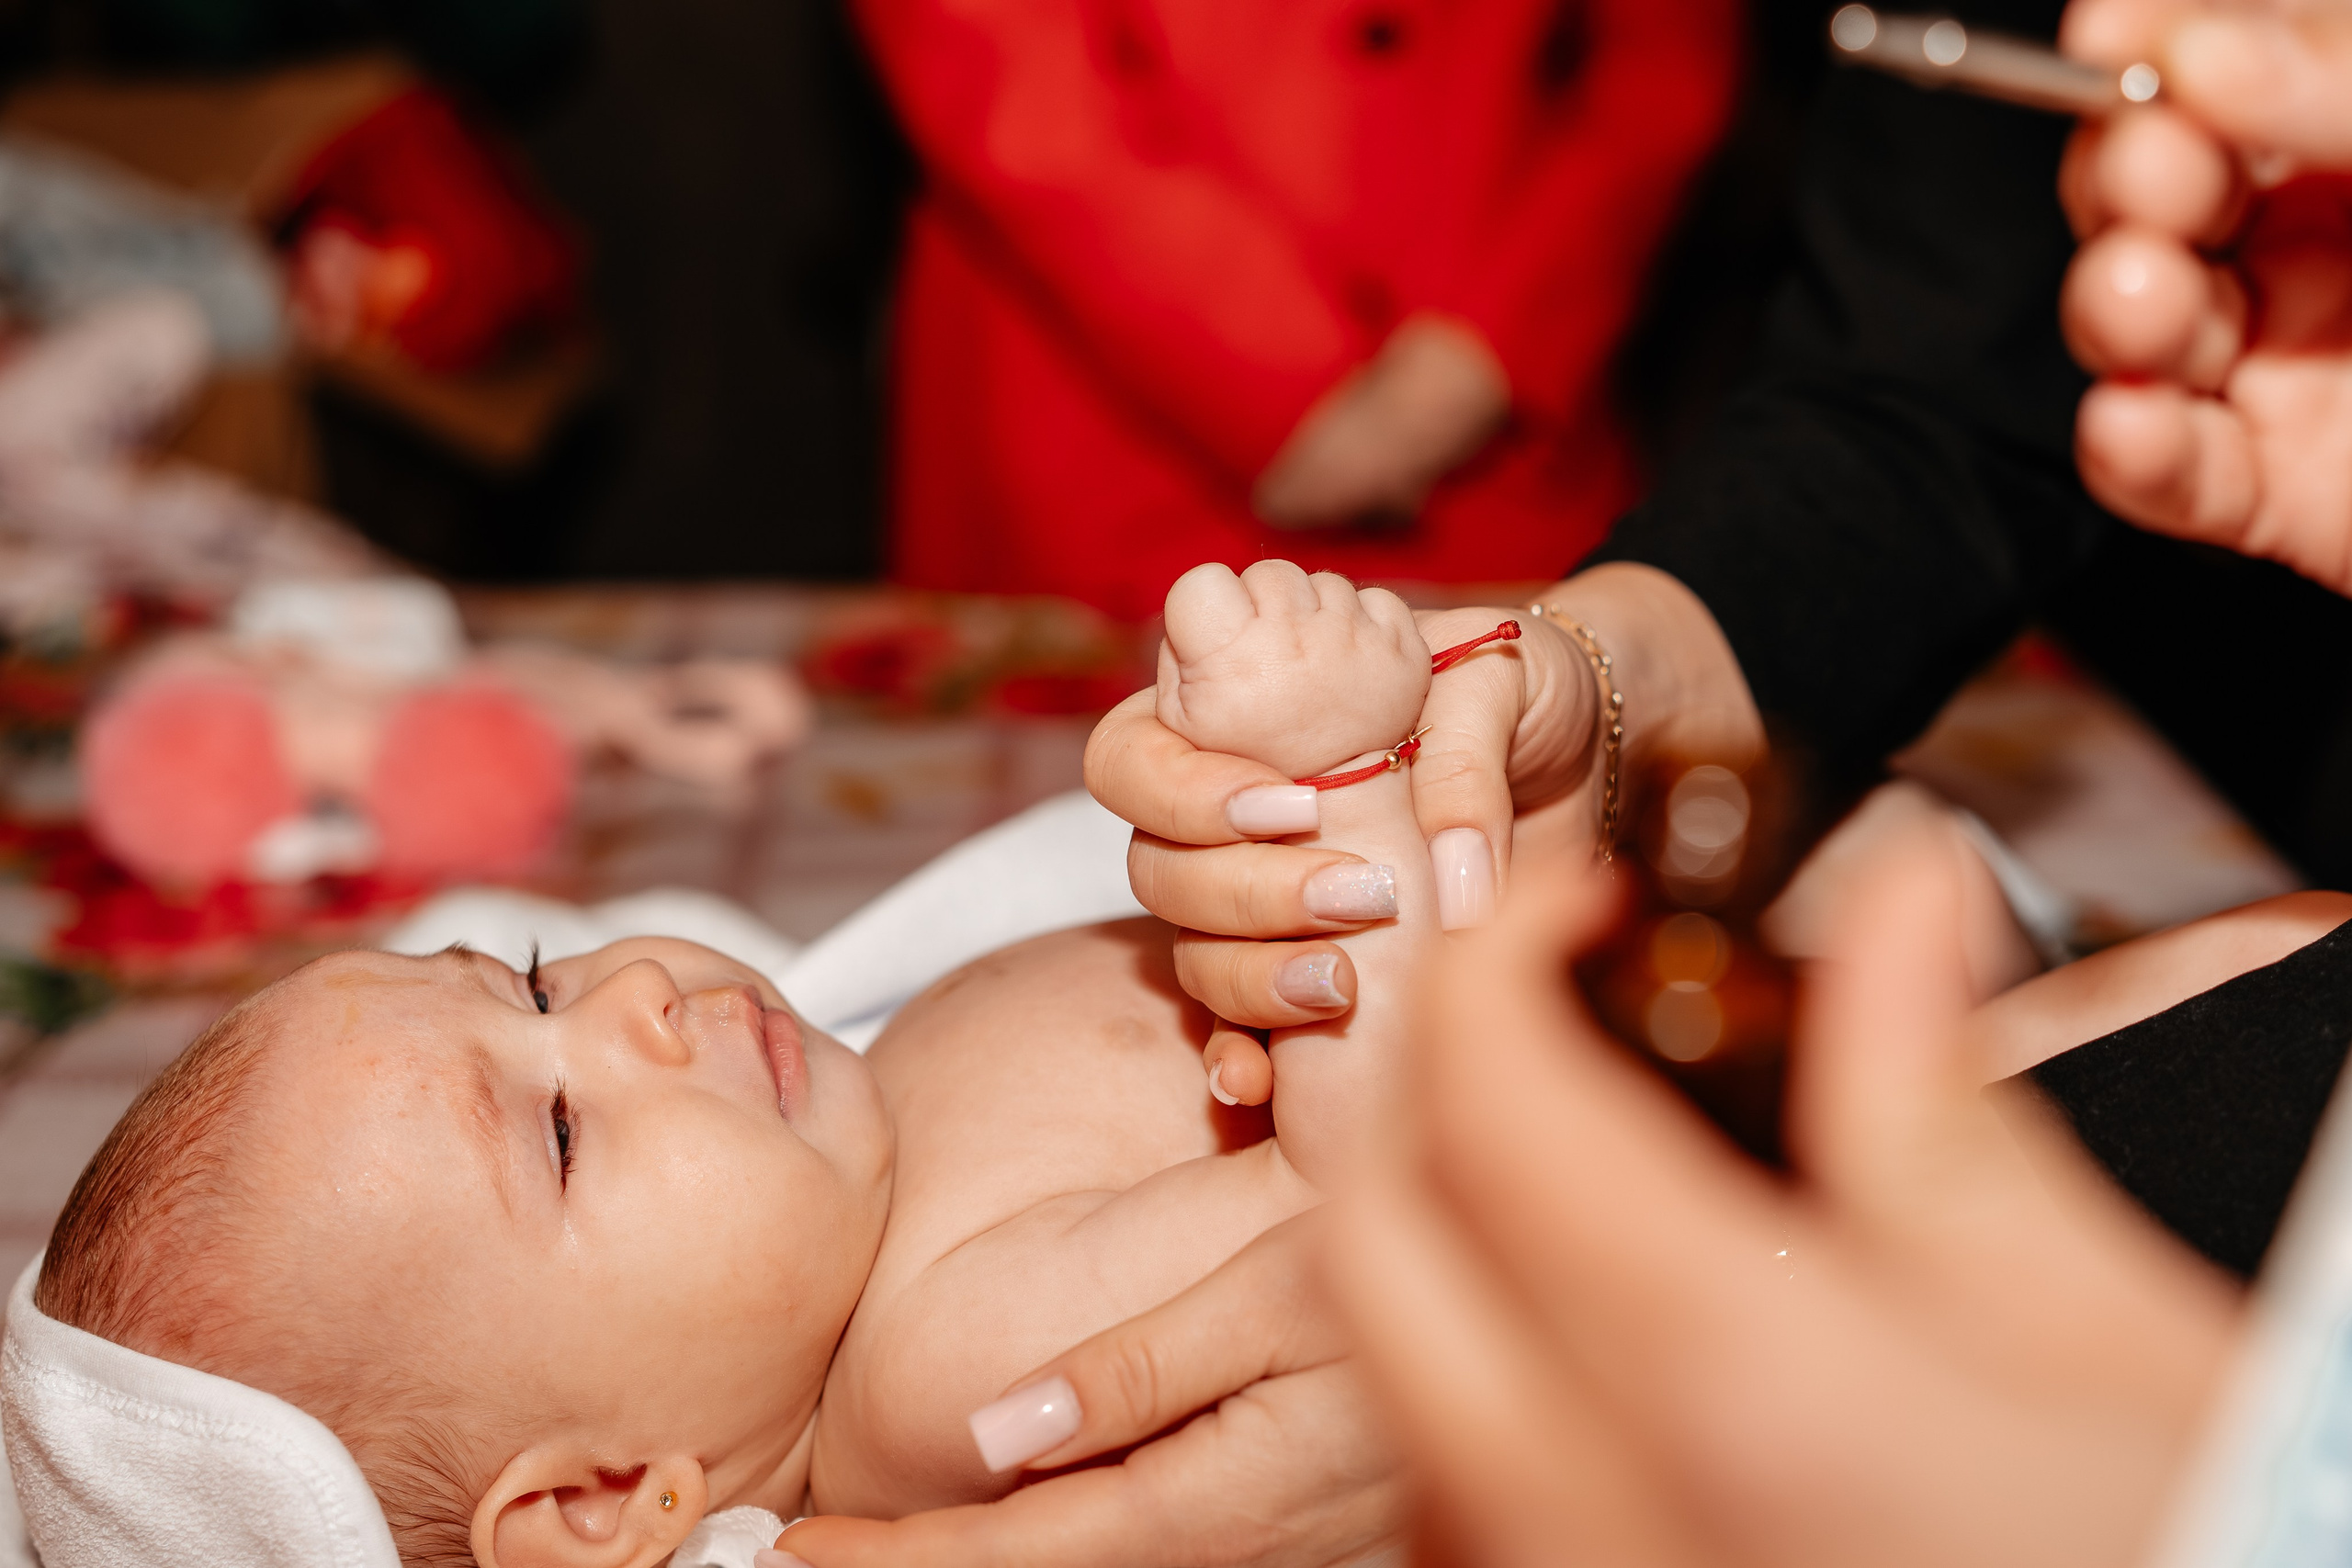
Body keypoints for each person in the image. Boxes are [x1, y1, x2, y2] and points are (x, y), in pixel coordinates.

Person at [19, 563, 1459, 1568]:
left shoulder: (863, 1141)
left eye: (530, 982)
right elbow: (1368, 1195)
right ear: (604, 1499)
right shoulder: (940, 1367)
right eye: (565, 1133)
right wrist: (1338, 786)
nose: (636, 989)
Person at [849, 0, 1741, 619]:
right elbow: (992, 56)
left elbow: (1663, 64)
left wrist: (1502, 335)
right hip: (1103, 426)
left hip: (1493, 436)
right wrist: (1275, 386)